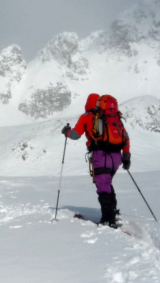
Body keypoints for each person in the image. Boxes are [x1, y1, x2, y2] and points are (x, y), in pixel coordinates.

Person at [61, 93, 131, 227]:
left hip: (101, 156)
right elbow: (125, 137)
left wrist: (66, 131)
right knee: (107, 184)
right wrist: (126, 156)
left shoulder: (88, 116)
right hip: (117, 157)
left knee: (103, 187)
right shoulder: (114, 117)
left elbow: (75, 135)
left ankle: (108, 220)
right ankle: (113, 214)